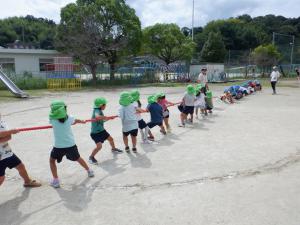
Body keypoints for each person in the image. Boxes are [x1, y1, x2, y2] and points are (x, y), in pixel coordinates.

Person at [49, 100, 94, 188]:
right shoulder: (69, 118)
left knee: (52, 160)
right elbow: (75, 120)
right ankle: (89, 171)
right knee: (78, 158)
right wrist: (82, 121)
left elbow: (53, 115)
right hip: (71, 145)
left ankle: (55, 180)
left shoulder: (52, 119)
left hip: (58, 147)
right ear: (64, 110)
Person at [0, 116, 41, 188]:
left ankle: (27, 182)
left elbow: (9, 137)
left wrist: (7, 133)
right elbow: (8, 134)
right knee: (1, 178)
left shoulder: (2, 123)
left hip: (8, 153)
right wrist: (10, 131)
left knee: (20, 166)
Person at [89, 98, 123, 164]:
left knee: (111, 139)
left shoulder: (99, 110)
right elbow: (98, 117)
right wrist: (106, 117)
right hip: (95, 133)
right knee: (99, 147)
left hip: (102, 131)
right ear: (101, 105)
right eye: (105, 105)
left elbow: (102, 120)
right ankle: (91, 157)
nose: (105, 106)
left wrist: (109, 118)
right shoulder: (96, 110)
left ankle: (113, 149)